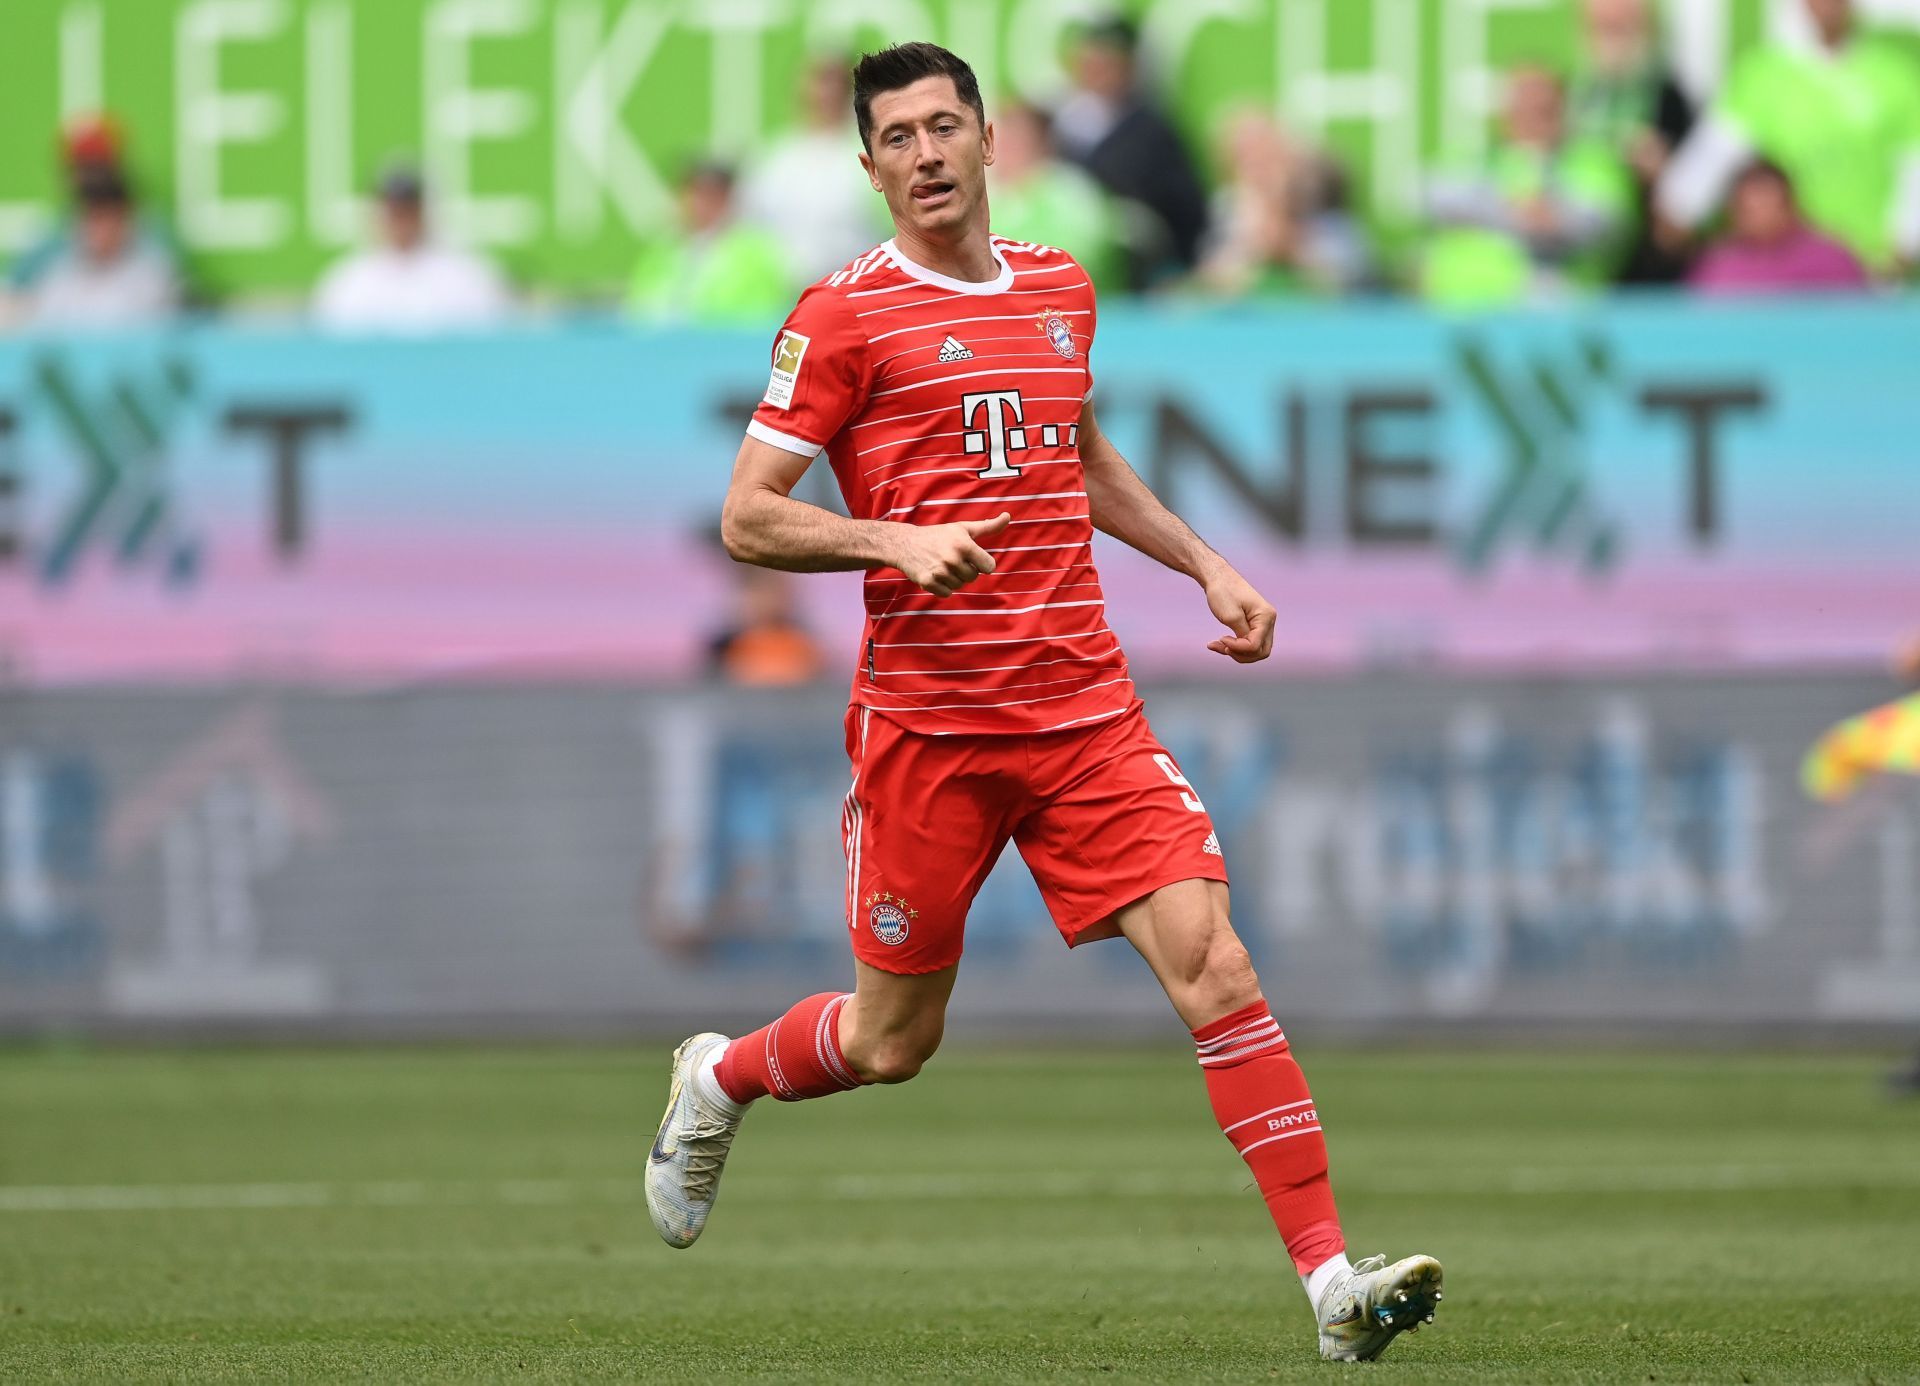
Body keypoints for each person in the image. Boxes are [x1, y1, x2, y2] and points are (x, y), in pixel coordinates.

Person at [643, 42, 1442, 1364]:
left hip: (1083, 715)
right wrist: (892, 541)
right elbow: (748, 514)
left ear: (988, 136)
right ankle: (719, 1076)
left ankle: (1331, 1289)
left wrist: (1206, 560)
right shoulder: (840, 313)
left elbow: (1075, 455)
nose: (927, 154)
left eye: (945, 125)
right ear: (869, 165)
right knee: (892, 1040)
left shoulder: (1062, 289)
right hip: (933, 734)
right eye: (896, 136)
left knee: (1218, 964)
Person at [1658, 0, 1920, 277]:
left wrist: (1904, 248)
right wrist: (1678, 208)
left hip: (1871, 273)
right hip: (1786, 275)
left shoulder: (1896, 77)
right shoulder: (1763, 76)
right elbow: (1712, 155)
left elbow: (1914, 167)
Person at [1422, 63, 1634, 306]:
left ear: (1563, 110)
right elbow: (1431, 196)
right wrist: (1515, 212)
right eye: (1521, 106)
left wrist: (1553, 218)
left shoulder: (1593, 160)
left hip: (1554, 317)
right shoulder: (1472, 157)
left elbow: (1599, 220)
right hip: (1461, 313)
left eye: (1544, 109)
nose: (1531, 117)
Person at [1052, 15, 1210, 286]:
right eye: (1089, 64)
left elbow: (1186, 211)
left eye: (1106, 65)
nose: (1096, 74)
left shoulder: (1154, 133)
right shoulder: (1062, 128)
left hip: (1140, 275)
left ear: (1129, 68)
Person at [1567, 0, 1696, 284]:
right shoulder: (1580, 95)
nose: (1612, 36)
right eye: (1603, 27)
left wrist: (1662, 169)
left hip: (1646, 263)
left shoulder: (1668, 98)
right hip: (1583, 265)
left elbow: (1693, 183)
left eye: (1621, 27)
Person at [1196, 110, 1373, 299]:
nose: (1259, 165)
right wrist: (1251, 247)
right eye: (1247, 156)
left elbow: (1355, 272)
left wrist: (1292, 245)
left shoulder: (1319, 198)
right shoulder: (1227, 208)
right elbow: (1210, 278)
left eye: (1267, 153)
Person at [312, 165, 511, 333]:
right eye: (393, 210)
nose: (401, 219)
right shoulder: (349, 282)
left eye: (409, 209)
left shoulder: (467, 275)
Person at [741, 55, 882, 285]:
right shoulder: (776, 159)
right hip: (783, 301)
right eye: (821, 82)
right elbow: (751, 230)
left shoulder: (870, 153)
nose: (828, 93)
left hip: (855, 292)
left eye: (837, 84)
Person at [13, 162, 181, 329]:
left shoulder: (154, 280)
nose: (100, 231)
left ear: (127, 221)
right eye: (92, 219)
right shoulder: (58, 279)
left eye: (108, 218)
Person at [627, 161, 792, 326]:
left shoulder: (756, 255)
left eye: (715, 195)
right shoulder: (662, 252)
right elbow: (637, 310)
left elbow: (761, 318)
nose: (704, 204)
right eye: (697, 193)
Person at [985, 101, 1125, 292]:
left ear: (1043, 144)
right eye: (1002, 140)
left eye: (1017, 141)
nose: (1005, 150)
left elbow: (1084, 254)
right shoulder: (990, 196)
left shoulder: (1068, 189)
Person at [1691, 161, 1869, 295]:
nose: (1761, 218)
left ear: (1790, 206)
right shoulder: (1718, 267)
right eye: (1750, 210)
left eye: (1768, 205)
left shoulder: (1830, 261)